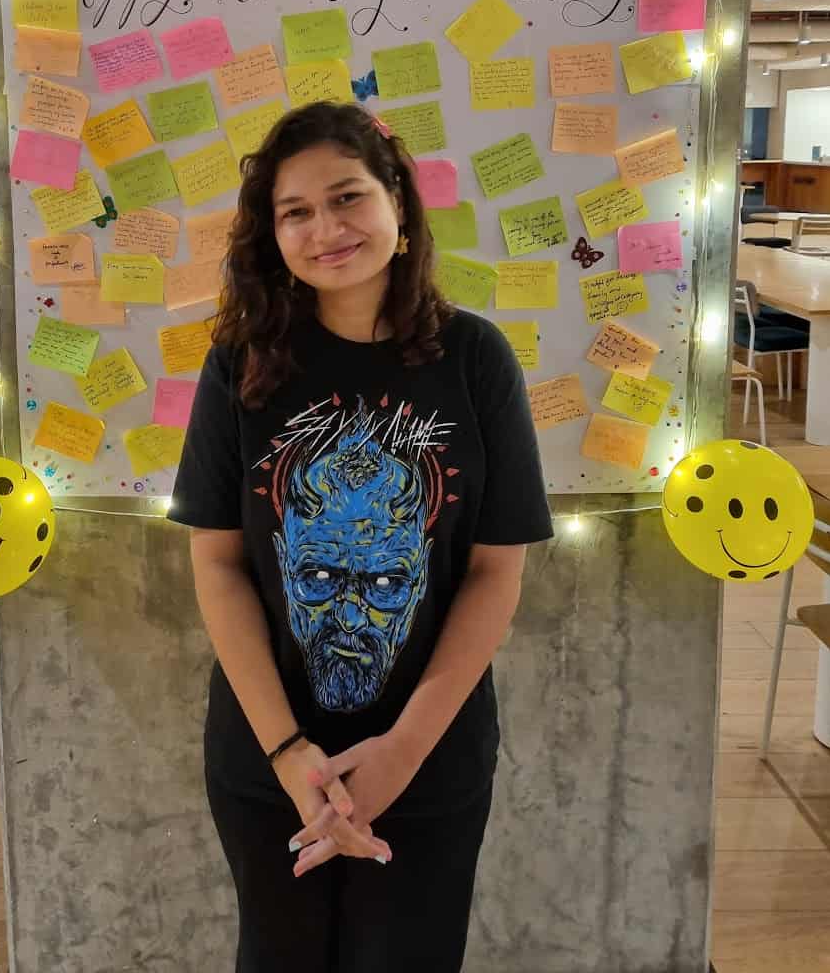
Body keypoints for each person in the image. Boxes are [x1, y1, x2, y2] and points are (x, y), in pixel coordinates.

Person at [170, 102, 553, 973]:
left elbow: (495, 575)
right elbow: (219, 565)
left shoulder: (475, 359)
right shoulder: (242, 363)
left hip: (430, 760)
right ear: (272, 236)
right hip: (269, 764)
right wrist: (288, 752)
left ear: (399, 207)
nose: (325, 229)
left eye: (346, 198)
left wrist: (402, 752)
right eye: (294, 212)